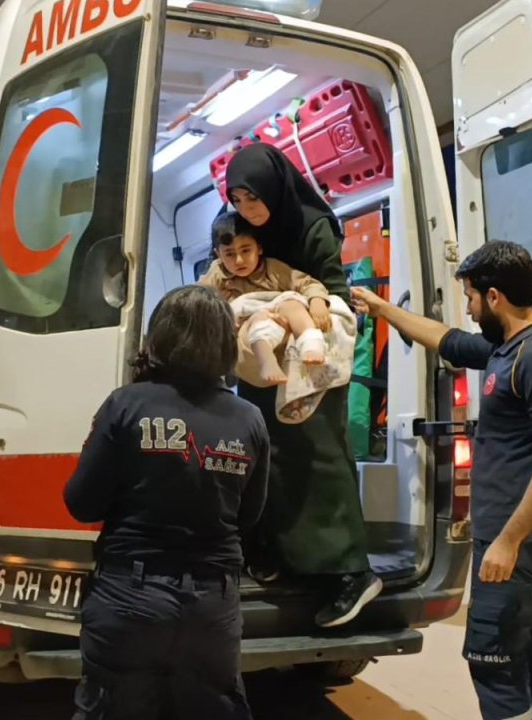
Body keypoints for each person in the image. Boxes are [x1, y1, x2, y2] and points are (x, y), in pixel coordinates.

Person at [351, 240, 532, 720]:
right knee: (531, 655)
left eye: (472, 298)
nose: (470, 310)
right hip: (510, 532)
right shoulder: (506, 347)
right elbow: (445, 338)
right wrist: (381, 307)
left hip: (516, 537)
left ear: (494, 297)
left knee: (494, 664)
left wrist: (508, 541)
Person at [63, 285, 269, 720]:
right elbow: (249, 515)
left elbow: (81, 503)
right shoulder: (248, 419)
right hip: (213, 607)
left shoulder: (127, 404)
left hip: (129, 600)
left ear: (159, 338)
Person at [224, 143, 380, 628]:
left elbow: (332, 292)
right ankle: (285, 558)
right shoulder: (246, 231)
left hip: (314, 365)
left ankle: (352, 573)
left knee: (321, 461)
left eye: (255, 199)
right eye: (238, 200)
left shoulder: (313, 226)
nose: (248, 211)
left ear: (275, 189)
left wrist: (300, 310)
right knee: (267, 459)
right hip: (262, 368)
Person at [200, 211, 334, 385]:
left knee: (292, 303)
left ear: (259, 248)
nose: (239, 260)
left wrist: (317, 301)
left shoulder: (273, 269)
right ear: (218, 254)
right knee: (258, 318)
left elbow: (306, 283)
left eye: (246, 250)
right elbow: (199, 302)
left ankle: (311, 344)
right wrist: (222, 315)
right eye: (229, 254)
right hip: (250, 335)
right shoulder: (217, 274)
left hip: (279, 322)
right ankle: (267, 363)